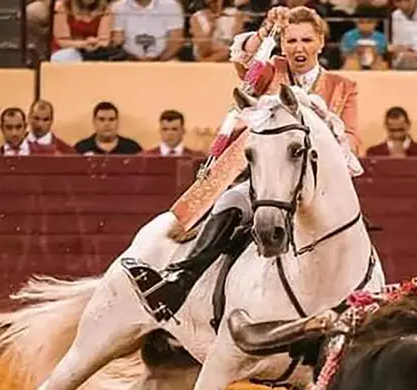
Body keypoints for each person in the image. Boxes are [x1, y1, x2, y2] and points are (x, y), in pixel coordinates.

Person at [129, 5, 364, 321]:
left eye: (307, 40)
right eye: (291, 41)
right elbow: (243, 60)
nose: (299, 48)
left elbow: (352, 141)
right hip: (266, 182)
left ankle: (355, 295)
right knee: (231, 200)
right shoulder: (270, 71)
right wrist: (266, 28)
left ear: (321, 42)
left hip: (315, 189)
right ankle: (181, 281)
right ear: (282, 45)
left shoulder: (343, 87)